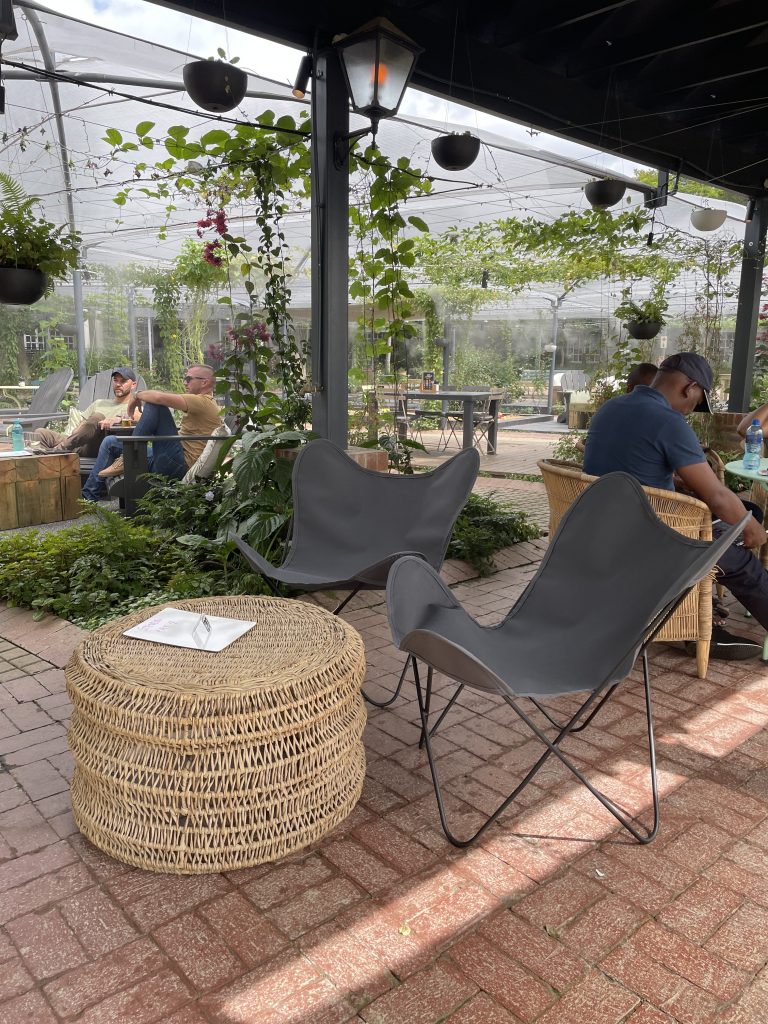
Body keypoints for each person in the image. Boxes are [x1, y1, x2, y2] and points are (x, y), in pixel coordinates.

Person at [584, 352, 768, 660]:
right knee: (741, 556)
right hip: (651, 539)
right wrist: (753, 531)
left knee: (744, 514)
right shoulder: (668, 421)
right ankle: (698, 624)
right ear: (690, 387)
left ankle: (700, 610)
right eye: (697, 401)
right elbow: (718, 497)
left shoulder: (611, 407)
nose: (693, 408)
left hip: (602, 527)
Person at [81, 365, 222, 502]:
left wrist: (136, 396)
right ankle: (88, 496)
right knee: (110, 442)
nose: (185, 382)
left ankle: (128, 457)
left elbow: (159, 398)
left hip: (179, 465)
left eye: (189, 378)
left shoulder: (204, 402)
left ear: (204, 382)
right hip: (174, 457)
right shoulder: (201, 403)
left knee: (155, 404)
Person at [29, 368, 138, 458]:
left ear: (133, 385)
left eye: (123, 381)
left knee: (97, 416)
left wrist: (117, 419)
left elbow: (138, 417)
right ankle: (49, 466)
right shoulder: (99, 403)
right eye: (116, 380)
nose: (118, 384)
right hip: (76, 442)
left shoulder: (133, 407)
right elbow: (79, 428)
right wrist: (82, 431)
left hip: (97, 447)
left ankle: (58, 451)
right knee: (41, 433)